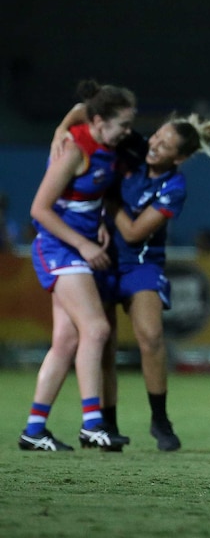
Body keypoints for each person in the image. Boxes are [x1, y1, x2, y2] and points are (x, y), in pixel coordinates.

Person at [50, 104, 210, 451]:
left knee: (151, 336)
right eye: (157, 136)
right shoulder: (132, 148)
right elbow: (91, 109)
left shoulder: (173, 185)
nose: (154, 145)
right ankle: (107, 423)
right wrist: (61, 129)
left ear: (178, 158)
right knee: (104, 345)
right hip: (99, 261)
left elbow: (131, 233)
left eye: (164, 145)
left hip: (140, 264)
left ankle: (160, 421)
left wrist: (107, 199)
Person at [20, 79, 136, 451]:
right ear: (100, 122)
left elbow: (85, 200)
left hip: (73, 248)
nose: (128, 131)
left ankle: (34, 430)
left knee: (67, 340)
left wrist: (99, 224)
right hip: (59, 248)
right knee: (98, 329)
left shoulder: (105, 145)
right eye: (123, 124)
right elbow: (39, 209)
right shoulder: (74, 148)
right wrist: (84, 243)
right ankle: (92, 424)